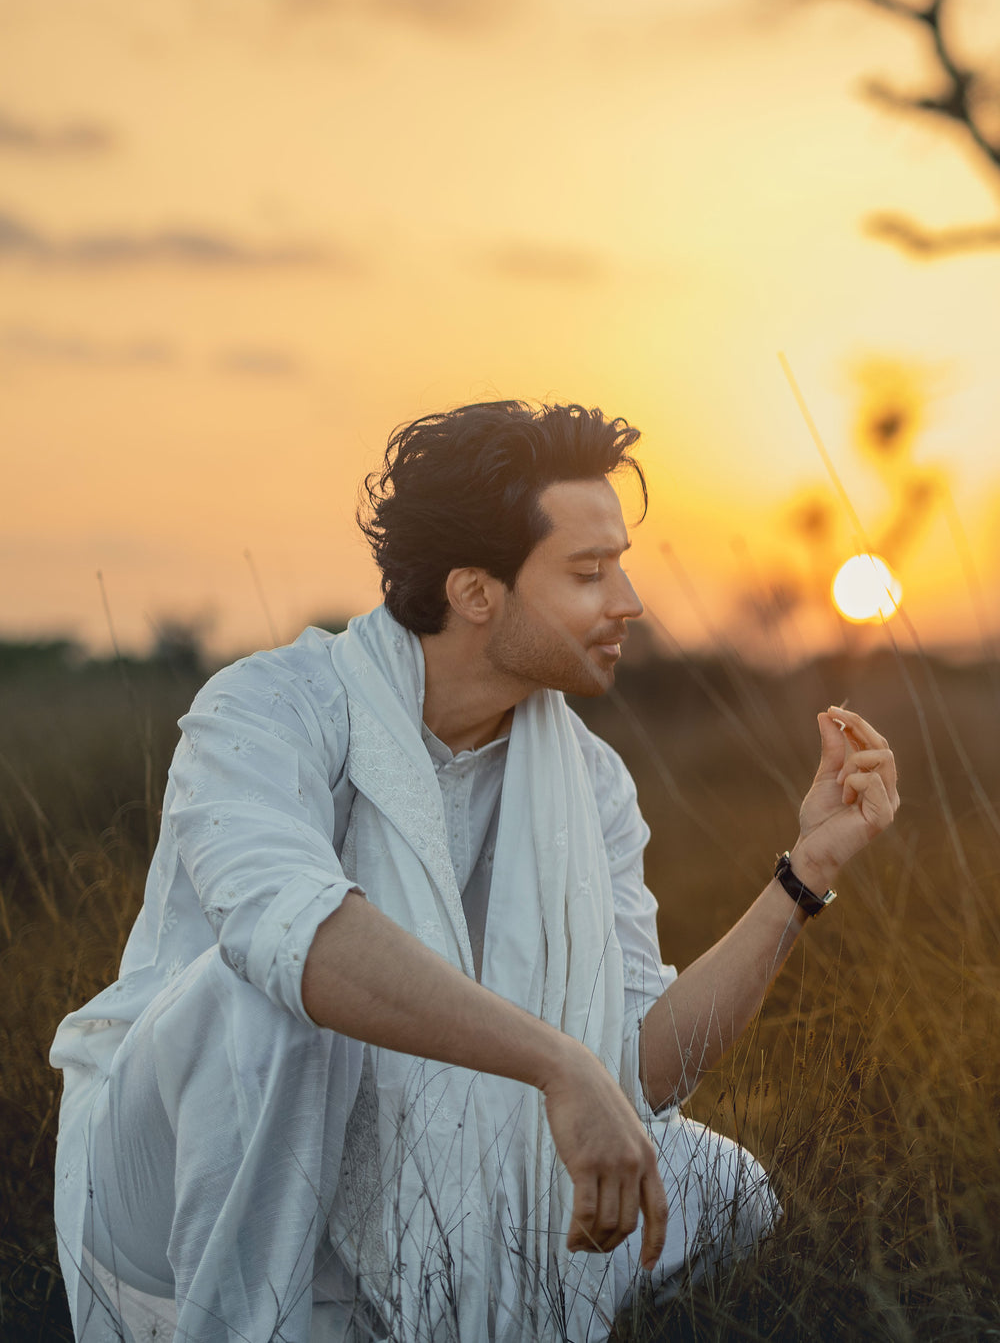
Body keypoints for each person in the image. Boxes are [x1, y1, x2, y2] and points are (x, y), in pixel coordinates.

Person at [50, 401, 899, 1343]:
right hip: (166, 1200)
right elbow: (293, 937)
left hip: (431, 1156)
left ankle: (447, 1296)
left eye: (622, 563)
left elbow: (637, 1069)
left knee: (730, 1190)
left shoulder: (589, 782)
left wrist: (804, 872)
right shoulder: (268, 709)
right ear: (474, 591)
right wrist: (555, 1063)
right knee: (270, 998)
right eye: (588, 571)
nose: (630, 600)